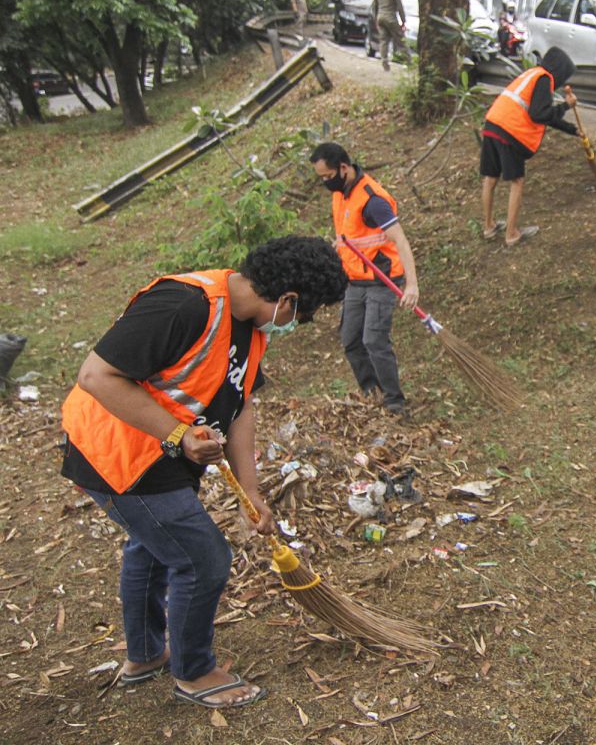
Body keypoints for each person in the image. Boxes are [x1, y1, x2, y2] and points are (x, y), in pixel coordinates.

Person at [60, 236, 347, 710]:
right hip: (117, 454)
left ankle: (146, 655)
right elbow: (95, 376)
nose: (298, 323)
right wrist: (177, 433)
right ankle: (193, 672)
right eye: (304, 313)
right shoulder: (183, 306)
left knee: (152, 549)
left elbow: (240, 405)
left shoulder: (251, 329)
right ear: (289, 299)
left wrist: (250, 490)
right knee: (204, 559)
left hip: (162, 454)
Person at [310, 142, 420, 415]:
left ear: (343, 168)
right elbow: (351, 234)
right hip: (354, 281)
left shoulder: (373, 201)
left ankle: (395, 402)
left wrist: (412, 285)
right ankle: (372, 393)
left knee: (373, 340)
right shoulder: (340, 193)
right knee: (350, 340)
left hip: (381, 281)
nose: (325, 182)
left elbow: (401, 241)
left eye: (327, 176)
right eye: (321, 177)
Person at [479, 47, 578, 247]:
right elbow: (539, 114)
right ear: (559, 71)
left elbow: (543, 114)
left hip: (492, 125)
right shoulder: (544, 79)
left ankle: (488, 226)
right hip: (509, 130)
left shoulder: (531, 74)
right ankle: (512, 233)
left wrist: (572, 130)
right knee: (517, 181)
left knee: (490, 178)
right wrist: (566, 106)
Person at [371, 0, 408, 71]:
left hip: (380, 17)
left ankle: (384, 61)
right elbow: (400, 7)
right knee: (401, 40)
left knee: (383, 40)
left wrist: (375, 18)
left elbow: (375, 5)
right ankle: (409, 62)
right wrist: (403, 21)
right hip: (390, 17)